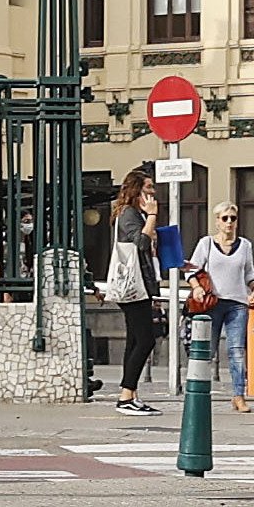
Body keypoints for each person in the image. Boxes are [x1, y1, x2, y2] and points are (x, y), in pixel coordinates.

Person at [109, 169, 164, 415]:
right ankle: (125, 394)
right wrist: (152, 217)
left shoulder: (133, 214)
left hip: (140, 285)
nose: (152, 193)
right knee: (145, 340)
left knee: (134, 339)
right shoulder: (130, 213)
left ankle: (130, 394)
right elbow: (139, 244)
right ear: (136, 190)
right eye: (148, 188)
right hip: (134, 285)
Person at [202, 201, 254, 416]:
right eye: (224, 218)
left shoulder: (245, 245)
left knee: (236, 351)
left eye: (233, 218)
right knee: (207, 350)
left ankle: (238, 395)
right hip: (212, 302)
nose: (229, 222)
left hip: (237, 303)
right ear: (217, 221)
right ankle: (200, 393)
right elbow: (192, 270)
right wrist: (197, 288)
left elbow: (249, 272)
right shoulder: (206, 243)